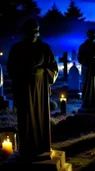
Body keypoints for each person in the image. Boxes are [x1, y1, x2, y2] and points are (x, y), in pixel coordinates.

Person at [7, 18, 58, 158]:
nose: (34, 34)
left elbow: (53, 67)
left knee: (41, 115)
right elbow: (11, 68)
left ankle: (42, 146)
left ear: (38, 32)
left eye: (36, 31)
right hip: (24, 87)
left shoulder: (45, 48)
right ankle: (27, 147)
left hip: (40, 88)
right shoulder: (17, 48)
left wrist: (42, 72)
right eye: (30, 32)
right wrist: (24, 71)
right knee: (26, 116)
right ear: (25, 32)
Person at [77, 29, 95, 109]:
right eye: (92, 35)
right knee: (87, 85)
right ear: (88, 36)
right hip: (87, 68)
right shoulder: (83, 46)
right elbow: (80, 58)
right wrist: (88, 59)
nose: (94, 36)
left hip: (94, 68)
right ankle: (86, 102)